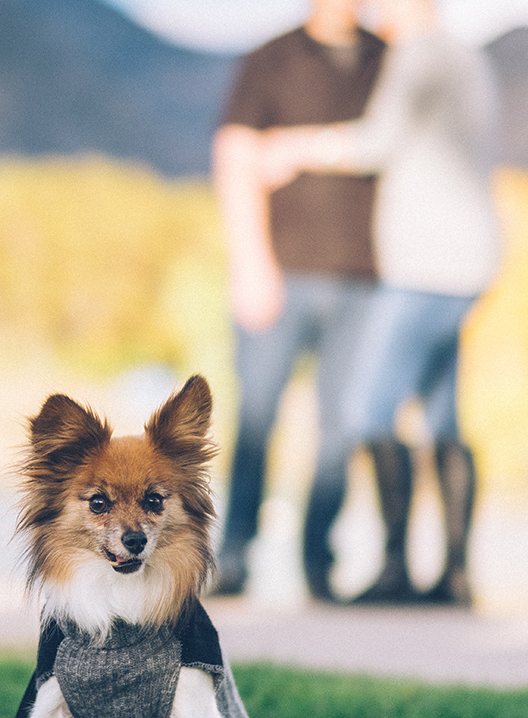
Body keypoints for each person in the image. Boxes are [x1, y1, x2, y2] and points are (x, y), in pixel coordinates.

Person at [259, 0, 502, 605]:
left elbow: (378, 141)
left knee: (368, 408)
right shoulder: (469, 57)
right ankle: (454, 576)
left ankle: (396, 570)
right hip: (470, 257)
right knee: (442, 416)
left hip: (427, 264)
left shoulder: (419, 53)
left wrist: (292, 148)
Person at [212, 0, 386, 599]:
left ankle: (320, 563)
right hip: (281, 276)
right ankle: (233, 556)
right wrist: (250, 265)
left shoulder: (387, 59)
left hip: (367, 280)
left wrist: (296, 148)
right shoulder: (272, 58)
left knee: (342, 429)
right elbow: (234, 158)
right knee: (257, 418)